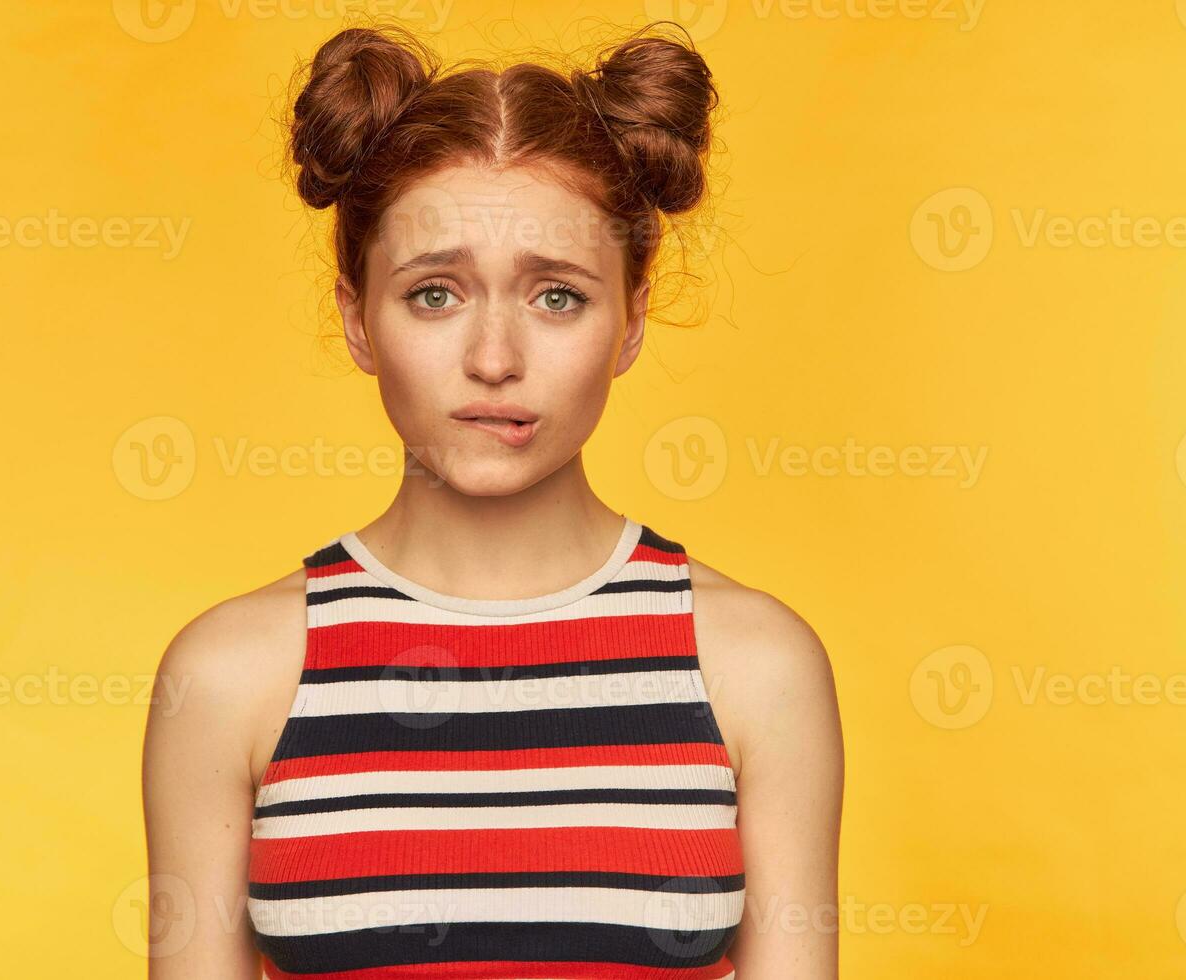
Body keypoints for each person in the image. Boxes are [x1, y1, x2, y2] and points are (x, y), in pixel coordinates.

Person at [143, 21, 843, 979]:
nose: (494, 360)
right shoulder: (230, 677)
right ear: (356, 318)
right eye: (435, 293)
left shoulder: (755, 666)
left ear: (632, 321)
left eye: (557, 295)